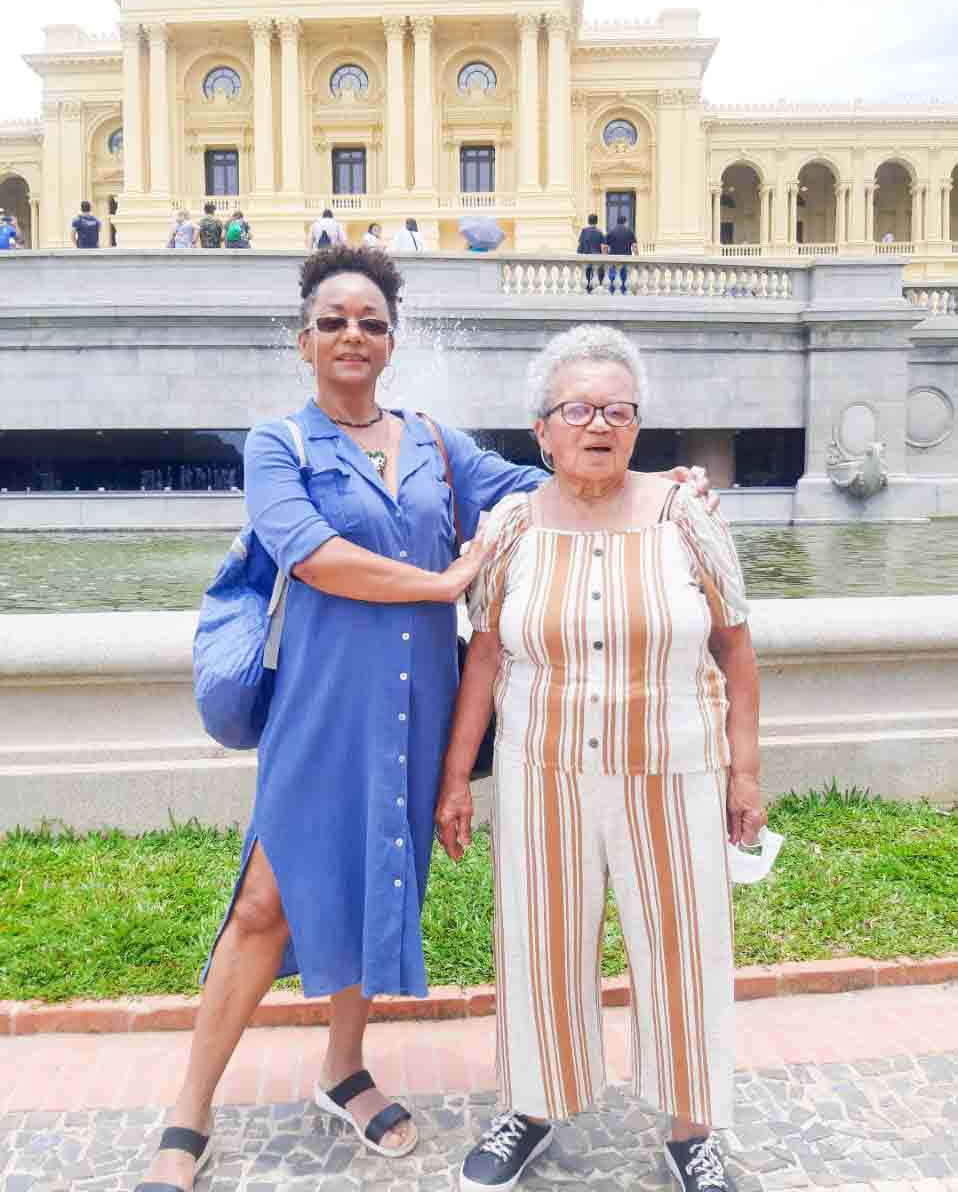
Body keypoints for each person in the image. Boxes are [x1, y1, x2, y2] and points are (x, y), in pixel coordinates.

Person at [134, 257, 716, 1192]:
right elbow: (312, 555)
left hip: (417, 710)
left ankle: (343, 1071)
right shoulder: (280, 442)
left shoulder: (437, 443)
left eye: (371, 321)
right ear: (305, 341)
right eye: (334, 321)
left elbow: (547, 478)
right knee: (263, 904)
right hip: (322, 706)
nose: (353, 335)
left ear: (392, 340)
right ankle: (189, 1111)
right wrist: (444, 583)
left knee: (380, 880)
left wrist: (654, 480)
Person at [436, 324, 764, 1192]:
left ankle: (693, 1130)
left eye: (619, 412)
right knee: (537, 941)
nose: (599, 426)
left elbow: (735, 648)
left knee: (685, 945)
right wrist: (456, 780)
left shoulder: (685, 515)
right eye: (578, 410)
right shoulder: (510, 526)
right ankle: (532, 1107)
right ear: (541, 430)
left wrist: (744, 773)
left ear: (637, 426)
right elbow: (484, 658)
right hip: (541, 770)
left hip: (673, 767)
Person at [576, 212, 607, 292]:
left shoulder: (584, 231)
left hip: (585, 257)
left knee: (587, 276)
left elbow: (580, 245)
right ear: (596, 221)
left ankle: (588, 290)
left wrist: (578, 256)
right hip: (596, 257)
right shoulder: (599, 232)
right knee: (595, 276)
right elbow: (604, 247)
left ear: (588, 221)